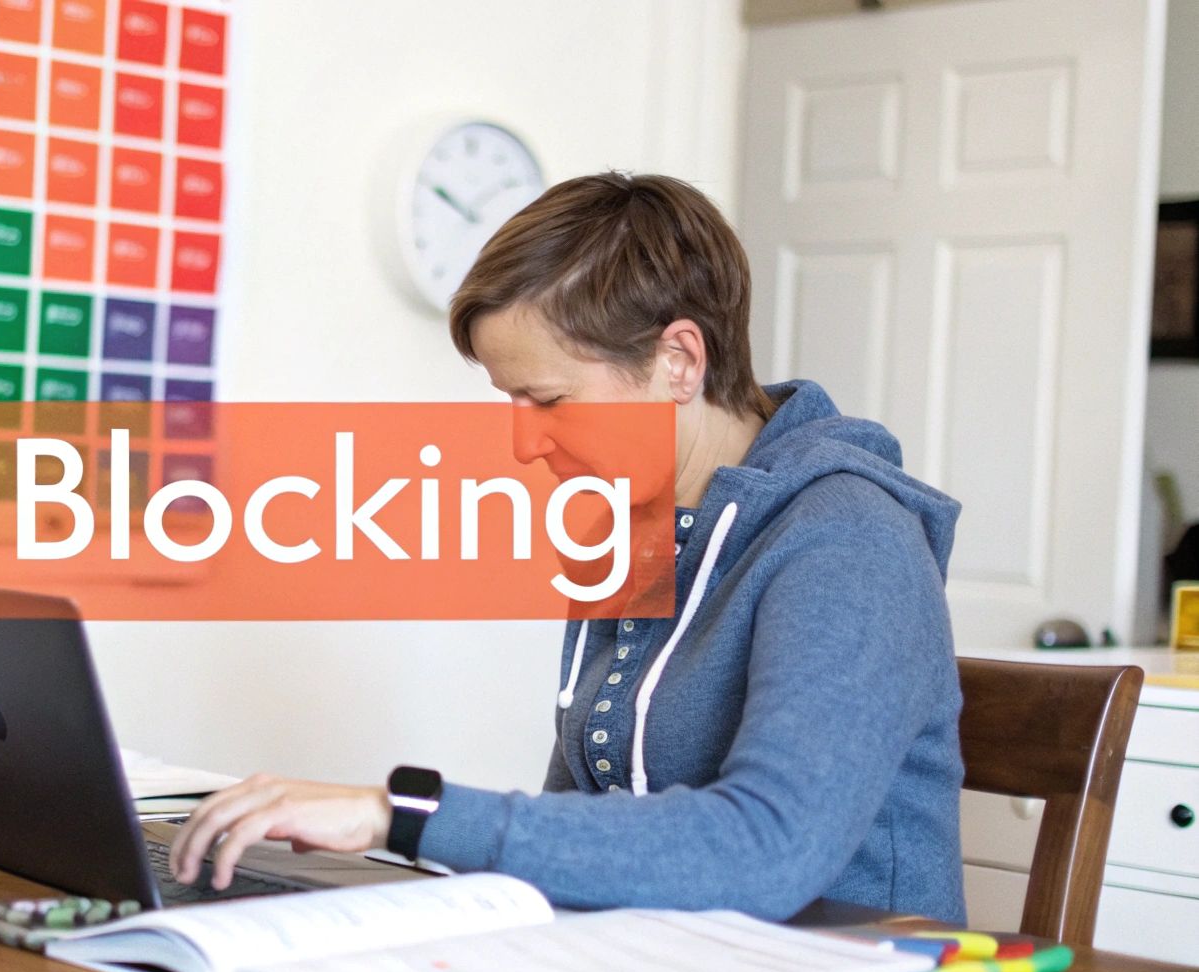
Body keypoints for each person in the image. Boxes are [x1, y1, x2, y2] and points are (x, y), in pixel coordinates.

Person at [169, 172, 967, 923]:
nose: (523, 443)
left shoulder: (850, 541)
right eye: (508, 400)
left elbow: (769, 849)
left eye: (546, 400)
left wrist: (401, 813)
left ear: (678, 360)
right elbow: (584, 817)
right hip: (654, 959)